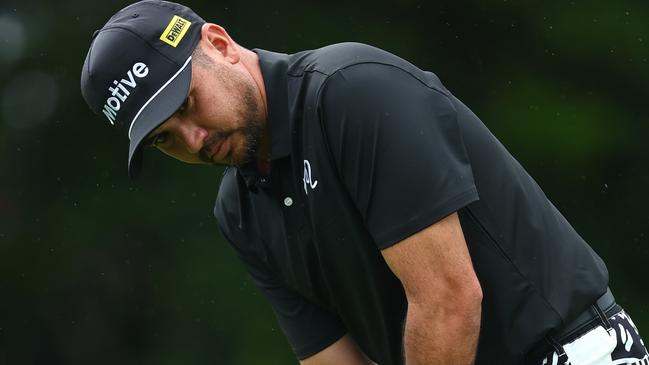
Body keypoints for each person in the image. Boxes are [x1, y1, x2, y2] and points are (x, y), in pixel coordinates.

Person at [80, 1, 648, 364]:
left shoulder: (351, 92)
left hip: (574, 354)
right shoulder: (239, 214)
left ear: (220, 45)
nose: (194, 138)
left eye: (188, 103)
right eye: (165, 138)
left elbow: (449, 301)